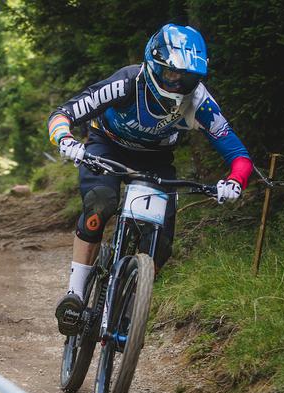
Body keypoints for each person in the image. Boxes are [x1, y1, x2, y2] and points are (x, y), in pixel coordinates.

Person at [48, 24, 253, 335]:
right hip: (107, 146)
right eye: (172, 74)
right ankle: (75, 295)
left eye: (189, 77)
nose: (179, 83)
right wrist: (65, 140)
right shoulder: (128, 82)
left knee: (161, 245)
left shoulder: (198, 101)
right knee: (99, 205)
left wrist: (235, 182)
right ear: (154, 64)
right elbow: (63, 113)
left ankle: (131, 304)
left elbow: (239, 154)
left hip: (156, 160)